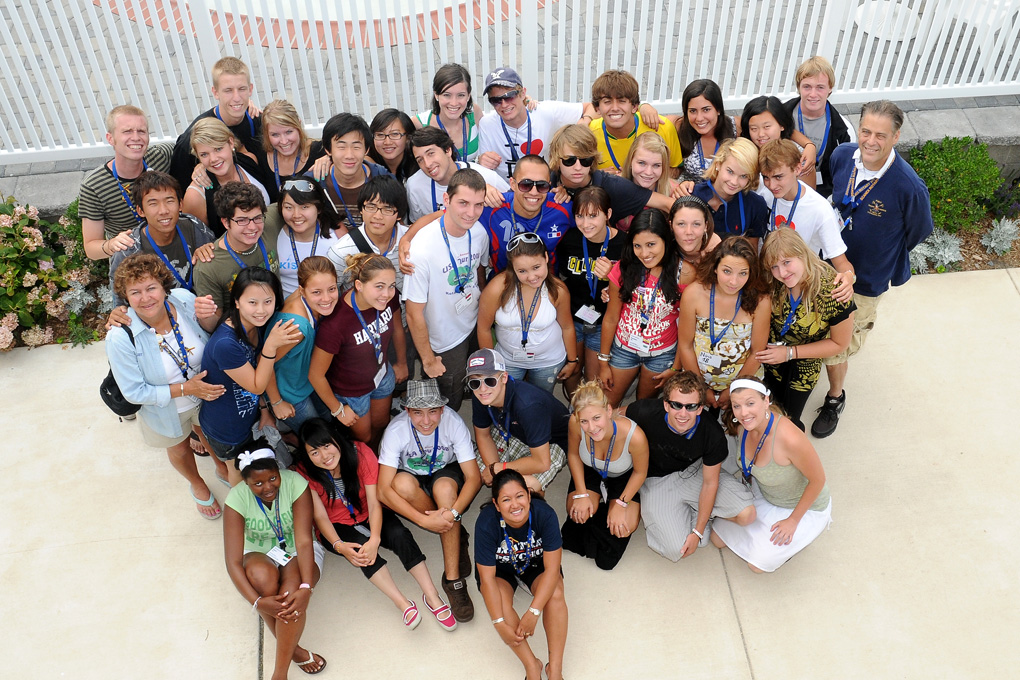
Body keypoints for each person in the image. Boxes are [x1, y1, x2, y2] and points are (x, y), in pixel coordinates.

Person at [818, 100, 934, 438]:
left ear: (896, 137)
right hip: (825, 266)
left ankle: (835, 397)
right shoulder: (842, 157)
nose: (870, 141)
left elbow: (918, 231)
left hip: (864, 280)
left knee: (839, 343)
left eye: (880, 135)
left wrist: (881, 253)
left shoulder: (909, 187)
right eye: (866, 131)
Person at [295, 418, 458, 631]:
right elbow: (321, 518)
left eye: (327, 446)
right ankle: (402, 603)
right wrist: (339, 545)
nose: (324, 456)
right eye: (314, 452)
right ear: (307, 456)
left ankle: (432, 596)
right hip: (336, 525)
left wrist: (376, 538)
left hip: (369, 510)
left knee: (400, 534)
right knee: (362, 552)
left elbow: (373, 502)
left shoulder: (360, 453)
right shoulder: (304, 472)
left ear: (336, 440)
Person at [106, 254, 227, 518]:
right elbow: (135, 392)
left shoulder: (182, 300)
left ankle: (222, 467)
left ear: (164, 287)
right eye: (135, 292)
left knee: (208, 434)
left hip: (204, 393)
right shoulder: (120, 337)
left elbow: (211, 334)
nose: (145, 298)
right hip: (165, 407)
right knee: (180, 447)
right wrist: (187, 389)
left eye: (151, 288)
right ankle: (197, 484)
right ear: (125, 297)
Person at [376, 379, 482, 622]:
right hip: (411, 477)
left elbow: (473, 477)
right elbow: (383, 490)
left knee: (446, 491)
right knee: (400, 485)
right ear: (407, 411)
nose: (426, 420)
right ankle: (455, 533)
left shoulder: (453, 422)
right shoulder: (395, 430)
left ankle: (453, 579)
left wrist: (452, 515)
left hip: (445, 470)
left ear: (442, 410)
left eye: (433, 411)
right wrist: (425, 522)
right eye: (418, 412)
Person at [622, 371, 755, 562]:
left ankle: (701, 514)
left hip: (695, 471)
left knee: (747, 515)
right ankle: (703, 512)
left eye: (691, 406)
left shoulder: (713, 434)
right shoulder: (646, 411)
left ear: (700, 408)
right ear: (666, 404)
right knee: (677, 551)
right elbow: (616, 418)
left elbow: (710, 484)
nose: (683, 413)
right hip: (657, 482)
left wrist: (698, 532)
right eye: (676, 405)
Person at [222, 444, 327, 677]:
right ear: (246, 483)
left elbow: (302, 541)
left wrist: (306, 587)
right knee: (262, 579)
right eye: (257, 484)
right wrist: (258, 602)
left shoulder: (295, 483)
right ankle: (294, 650)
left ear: (279, 472)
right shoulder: (236, 498)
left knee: (290, 600)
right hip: (258, 554)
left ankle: (279, 674)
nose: (268, 487)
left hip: (297, 552)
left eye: (272, 478)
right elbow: (233, 562)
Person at [711, 378, 831, 572]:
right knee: (717, 539)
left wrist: (792, 521)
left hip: (802, 507)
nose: (744, 413)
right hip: (765, 495)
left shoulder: (790, 439)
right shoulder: (743, 428)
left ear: (766, 401)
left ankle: (797, 540)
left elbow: (818, 481)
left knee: (758, 565)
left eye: (750, 403)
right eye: (737, 406)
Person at [199, 267, 302, 482]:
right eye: (252, 302)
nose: (261, 310)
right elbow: (255, 384)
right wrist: (271, 346)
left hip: (250, 416)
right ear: (237, 302)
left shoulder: (257, 325)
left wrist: (264, 410)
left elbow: (258, 372)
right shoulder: (226, 344)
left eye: (268, 301)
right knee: (239, 478)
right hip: (227, 428)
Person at [403, 168, 490, 410]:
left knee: (476, 378)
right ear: (446, 200)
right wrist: (428, 359)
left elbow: (479, 270)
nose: (471, 213)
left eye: (478, 205)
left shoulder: (480, 232)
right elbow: (413, 312)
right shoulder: (422, 249)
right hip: (445, 339)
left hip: (473, 323)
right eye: (463, 203)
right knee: (449, 397)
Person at [756, 228, 856, 432]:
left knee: (790, 419)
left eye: (787, 262)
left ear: (802, 253)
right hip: (772, 355)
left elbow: (840, 343)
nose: (782, 273)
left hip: (805, 363)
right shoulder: (771, 280)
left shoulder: (833, 289)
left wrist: (790, 353)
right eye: (774, 266)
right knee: (772, 407)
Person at [474, 469, 567, 680]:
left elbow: (552, 569)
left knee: (556, 593)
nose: (515, 505)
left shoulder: (545, 514)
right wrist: (499, 623)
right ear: (496, 505)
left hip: (536, 563)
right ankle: (532, 666)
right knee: (501, 604)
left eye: (519, 496)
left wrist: (533, 612)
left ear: (528, 494)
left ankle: (556, 670)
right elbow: (487, 580)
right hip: (500, 569)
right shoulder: (487, 523)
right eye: (506, 500)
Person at [308, 254, 407, 450]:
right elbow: (315, 375)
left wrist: (402, 362)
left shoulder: (390, 298)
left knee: (381, 425)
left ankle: (377, 459)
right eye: (379, 286)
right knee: (364, 436)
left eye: (391, 285)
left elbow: (397, 327)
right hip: (352, 391)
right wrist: (338, 410)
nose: (386, 294)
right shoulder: (336, 323)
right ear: (359, 285)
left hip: (382, 375)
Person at [561, 380, 648, 570]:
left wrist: (621, 503)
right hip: (590, 468)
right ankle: (598, 513)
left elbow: (640, 473)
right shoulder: (574, 423)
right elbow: (574, 455)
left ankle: (607, 511)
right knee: (577, 514)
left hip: (623, 475)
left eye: (596, 418)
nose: (591, 427)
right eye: (584, 421)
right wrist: (582, 493)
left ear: (609, 411)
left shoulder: (635, 436)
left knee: (623, 528)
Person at [598, 209, 682, 406]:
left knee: (642, 408)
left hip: (662, 355)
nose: (644, 253)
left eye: (651, 244)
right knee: (606, 405)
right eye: (637, 246)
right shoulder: (623, 268)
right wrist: (603, 361)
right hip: (623, 350)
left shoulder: (683, 273)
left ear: (666, 240)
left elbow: (688, 327)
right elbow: (610, 318)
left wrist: (676, 367)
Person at [677, 236, 771, 410]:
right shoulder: (693, 294)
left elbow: (757, 351)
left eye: (743, 273)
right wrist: (701, 388)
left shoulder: (761, 301)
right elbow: (685, 345)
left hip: (744, 383)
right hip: (696, 379)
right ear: (715, 268)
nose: (733, 281)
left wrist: (733, 389)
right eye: (727, 271)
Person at [477, 232, 578, 392]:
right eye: (522, 271)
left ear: (546, 257)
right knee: (508, 401)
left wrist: (572, 360)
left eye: (536, 267)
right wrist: (493, 366)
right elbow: (483, 328)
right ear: (513, 268)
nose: (532, 277)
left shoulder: (558, 290)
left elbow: (567, 327)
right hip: (508, 360)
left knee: (541, 401)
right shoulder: (497, 288)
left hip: (548, 361)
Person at [554, 186, 627, 395]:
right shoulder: (569, 240)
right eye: (580, 216)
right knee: (572, 368)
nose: (586, 224)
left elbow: (634, 284)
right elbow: (558, 276)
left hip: (604, 321)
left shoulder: (624, 243)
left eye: (593, 216)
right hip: (572, 317)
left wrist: (614, 276)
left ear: (608, 214)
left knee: (594, 380)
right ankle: (574, 409)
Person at [468, 348, 570, 494]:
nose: (482, 389)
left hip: (552, 442)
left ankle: (535, 508)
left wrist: (499, 469)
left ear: (504, 377)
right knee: (474, 472)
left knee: (523, 488)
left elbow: (541, 463)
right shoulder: (481, 395)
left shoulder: (528, 405)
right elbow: (483, 435)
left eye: (489, 381)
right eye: (474, 383)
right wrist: (493, 468)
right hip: (513, 430)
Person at [80, 105, 174, 261]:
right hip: (133, 260)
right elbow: (91, 248)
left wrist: (199, 166)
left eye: (141, 131)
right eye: (127, 131)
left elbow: (193, 146)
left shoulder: (160, 157)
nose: (136, 137)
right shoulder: (94, 186)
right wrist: (112, 244)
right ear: (110, 138)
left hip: (172, 247)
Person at [758, 139, 856, 288]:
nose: (771, 185)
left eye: (778, 177)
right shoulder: (764, 190)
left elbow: (841, 262)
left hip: (799, 284)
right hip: (767, 278)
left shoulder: (820, 210)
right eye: (766, 177)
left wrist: (848, 278)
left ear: (797, 169)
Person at [108, 170, 215, 298]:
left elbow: (217, 271)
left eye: (169, 201)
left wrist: (208, 251)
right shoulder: (128, 250)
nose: (163, 211)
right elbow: (120, 301)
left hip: (201, 308)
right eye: (153, 204)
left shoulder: (193, 227)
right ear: (140, 211)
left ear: (180, 204)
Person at [476, 66, 595, 180]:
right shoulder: (487, 124)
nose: (504, 104)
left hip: (542, 188)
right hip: (506, 193)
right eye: (495, 100)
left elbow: (592, 107)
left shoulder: (545, 112)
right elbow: (484, 169)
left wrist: (583, 124)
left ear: (523, 93)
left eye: (509, 96)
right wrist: (481, 160)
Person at [548, 124, 674, 228]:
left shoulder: (613, 186)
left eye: (585, 160)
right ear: (556, 160)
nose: (578, 167)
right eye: (569, 160)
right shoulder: (544, 182)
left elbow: (669, 203)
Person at [264, 257, 339, 432]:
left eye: (332, 289)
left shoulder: (308, 300)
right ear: (302, 291)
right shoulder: (296, 328)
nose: (326, 298)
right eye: (317, 292)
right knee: (317, 436)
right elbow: (264, 363)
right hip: (290, 393)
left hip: (306, 380)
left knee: (329, 422)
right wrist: (276, 402)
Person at [169, 57, 264, 191]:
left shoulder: (257, 120)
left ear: (250, 89)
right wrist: (204, 164)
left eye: (242, 89)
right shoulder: (191, 139)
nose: (236, 97)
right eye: (228, 90)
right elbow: (178, 189)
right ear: (215, 92)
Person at [193, 182, 281, 315]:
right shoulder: (209, 266)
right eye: (242, 220)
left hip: (279, 313)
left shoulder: (270, 222)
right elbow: (213, 327)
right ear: (226, 222)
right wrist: (205, 315)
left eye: (257, 218)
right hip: (242, 329)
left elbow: (300, 202)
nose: (252, 227)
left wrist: (321, 163)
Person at [181, 118, 271, 234]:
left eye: (218, 149)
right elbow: (196, 240)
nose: (213, 159)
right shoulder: (196, 196)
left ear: (231, 142)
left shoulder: (249, 161)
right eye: (204, 154)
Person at [484, 155, 574, 272]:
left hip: (547, 284)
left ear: (549, 185)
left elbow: (595, 226)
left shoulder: (562, 208)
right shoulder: (493, 206)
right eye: (526, 184)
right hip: (503, 283)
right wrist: (481, 189)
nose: (534, 192)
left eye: (542, 185)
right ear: (513, 184)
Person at [783, 56, 857, 197]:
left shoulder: (844, 131)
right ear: (798, 87)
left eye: (820, 87)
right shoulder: (781, 113)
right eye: (807, 87)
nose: (813, 94)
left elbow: (844, 172)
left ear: (830, 89)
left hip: (819, 191)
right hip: (779, 185)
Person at [405, 126, 509, 223]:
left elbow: (516, 203)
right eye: (420, 160)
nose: (427, 164)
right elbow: (417, 225)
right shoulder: (414, 185)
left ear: (448, 150)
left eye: (431, 153)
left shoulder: (487, 177)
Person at [588, 69, 682, 173]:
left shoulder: (661, 127)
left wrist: (644, 181)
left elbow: (676, 168)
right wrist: (597, 178)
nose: (615, 108)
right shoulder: (589, 135)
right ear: (597, 108)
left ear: (634, 106)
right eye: (607, 102)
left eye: (622, 101)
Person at [312, 112, 392, 233]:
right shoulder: (314, 183)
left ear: (367, 149)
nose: (349, 155)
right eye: (341, 147)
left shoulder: (382, 178)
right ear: (328, 150)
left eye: (356, 147)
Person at [328, 175, 409, 292]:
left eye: (387, 209)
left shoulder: (415, 242)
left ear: (399, 215)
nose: (377, 216)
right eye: (371, 207)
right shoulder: (341, 251)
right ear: (361, 209)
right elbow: (329, 293)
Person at [264, 178, 341, 297]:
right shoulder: (275, 235)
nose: (296, 215)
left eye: (304, 207)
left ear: (319, 208)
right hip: (286, 310)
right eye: (289, 207)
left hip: (326, 305)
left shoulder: (336, 237)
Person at [689, 138, 769, 245]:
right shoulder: (691, 196)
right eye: (730, 171)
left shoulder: (756, 205)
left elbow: (751, 252)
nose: (734, 182)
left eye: (743, 176)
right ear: (718, 164)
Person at [739, 95, 817, 190]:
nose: (761, 134)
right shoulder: (744, 152)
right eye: (754, 129)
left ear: (781, 125)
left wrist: (809, 145)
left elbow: (808, 195)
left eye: (767, 127)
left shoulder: (800, 157)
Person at [413, 63, 483, 162]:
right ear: (436, 95)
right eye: (447, 95)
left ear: (468, 96)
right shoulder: (419, 124)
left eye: (461, 95)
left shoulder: (474, 113)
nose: (454, 103)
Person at [675, 79, 738, 184]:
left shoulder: (735, 127)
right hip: (691, 194)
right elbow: (649, 119)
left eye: (706, 110)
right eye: (693, 111)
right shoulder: (679, 126)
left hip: (727, 195)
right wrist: (644, 107)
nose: (699, 118)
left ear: (718, 109)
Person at [616, 132, 679, 231]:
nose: (648, 172)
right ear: (630, 161)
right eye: (642, 163)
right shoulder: (614, 186)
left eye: (656, 165)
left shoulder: (676, 192)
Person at [261, 99, 326, 192]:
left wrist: (331, 158)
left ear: (299, 126)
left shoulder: (320, 152)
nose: (284, 141)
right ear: (266, 134)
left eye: (288, 132)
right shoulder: (261, 157)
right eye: (275, 135)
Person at [670, 195, 723, 291]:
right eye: (681, 224)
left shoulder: (720, 253)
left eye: (696, 224)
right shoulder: (662, 249)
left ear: (706, 226)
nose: (689, 232)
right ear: (671, 225)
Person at [368, 108, 419, 183]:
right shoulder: (366, 168)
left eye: (395, 134)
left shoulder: (419, 163)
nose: (387, 142)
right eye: (380, 135)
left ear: (408, 137)